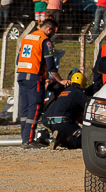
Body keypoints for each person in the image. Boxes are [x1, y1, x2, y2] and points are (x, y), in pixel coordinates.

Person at [16, 18, 68, 147]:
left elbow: (18, 60)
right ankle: (29, 140)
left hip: (21, 76)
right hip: (35, 77)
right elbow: (51, 65)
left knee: (25, 108)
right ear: (49, 29)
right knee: (35, 107)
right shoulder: (44, 40)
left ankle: (25, 138)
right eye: (53, 32)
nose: (53, 35)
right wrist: (60, 80)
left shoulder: (27, 37)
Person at [43, 72, 88, 148]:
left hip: (48, 121)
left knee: (69, 131)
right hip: (62, 121)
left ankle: (59, 138)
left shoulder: (64, 91)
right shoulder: (78, 93)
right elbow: (89, 109)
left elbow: (74, 114)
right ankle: (64, 139)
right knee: (85, 140)